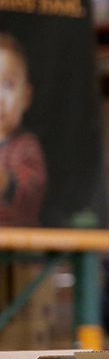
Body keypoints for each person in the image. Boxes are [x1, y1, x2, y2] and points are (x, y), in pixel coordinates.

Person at [0, 32, 46, 227]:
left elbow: (32, 190)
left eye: (8, 85)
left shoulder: (26, 146)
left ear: (25, 96)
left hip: (18, 249)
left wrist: (6, 182)